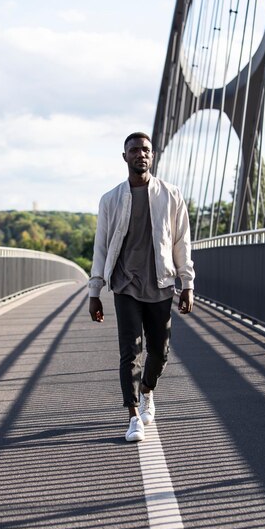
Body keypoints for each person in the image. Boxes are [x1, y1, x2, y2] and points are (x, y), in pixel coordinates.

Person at [89, 132, 195, 442]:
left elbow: (181, 241)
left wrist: (187, 283)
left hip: (161, 284)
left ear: (153, 155)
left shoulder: (171, 195)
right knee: (130, 352)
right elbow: (101, 246)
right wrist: (95, 292)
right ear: (125, 157)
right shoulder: (110, 199)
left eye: (145, 149)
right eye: (134, 150)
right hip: (125, 285)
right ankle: (133, 415)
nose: (141, 154)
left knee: (159, 352)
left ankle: (147, 390)